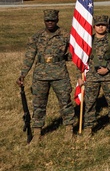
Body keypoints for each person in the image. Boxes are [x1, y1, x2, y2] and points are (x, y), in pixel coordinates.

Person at [18, 9, 73, 143]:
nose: (50, 23)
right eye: (47, 20)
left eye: (52, 20)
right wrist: (23, 74)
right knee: (38, 104)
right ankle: (37, 132)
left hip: (59, 73)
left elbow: (72, 54)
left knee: (65, 102)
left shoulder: (65, 35)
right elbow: (29, 56)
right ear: (44, 21)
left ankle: (69, 129)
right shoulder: (37, 36)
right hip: (40, 75)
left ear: (57, 20)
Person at [82, 15, 110, 138]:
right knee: (90, 103)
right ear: (94, 26)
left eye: (103, 25)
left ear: (107, 26)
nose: (101, 27)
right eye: (98, 25)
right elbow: (81, 59)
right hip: (92, 77)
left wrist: (108, 68)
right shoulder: (88, 41)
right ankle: (88, 127)